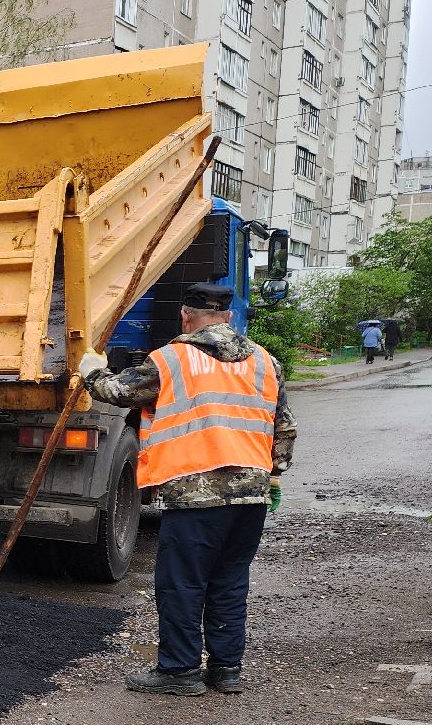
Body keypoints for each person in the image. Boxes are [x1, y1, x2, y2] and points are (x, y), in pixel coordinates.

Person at [77, 283, 299, 696]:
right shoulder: (266, 362)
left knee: (182, 583)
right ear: (228, 317)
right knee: (230, 582)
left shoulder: (172, 359)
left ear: (185, 315)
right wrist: (274, 475)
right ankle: (226, 670)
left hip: (196, 495)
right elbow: (283, 427)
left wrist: (91, 369)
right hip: (251, 496)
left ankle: (179, 671)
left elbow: (117, 392)